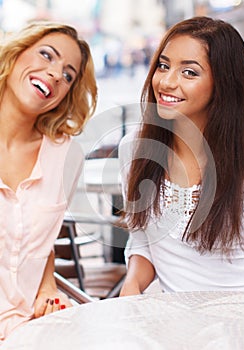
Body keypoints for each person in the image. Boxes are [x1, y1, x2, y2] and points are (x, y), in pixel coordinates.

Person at [118, 16, 244, 296]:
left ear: (223, 84)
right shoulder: (134, 151)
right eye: (164, 66)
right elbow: (144, 240)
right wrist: (131, 288)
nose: (167, 82)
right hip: (171, 327)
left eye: (189, 72)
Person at [0, 21, 97, 342]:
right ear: (16, 53)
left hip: (31, 327)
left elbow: (38, 238)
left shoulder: (65, 155)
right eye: (46, 55)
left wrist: (47, 288)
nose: (56, 73)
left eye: (68, 75)